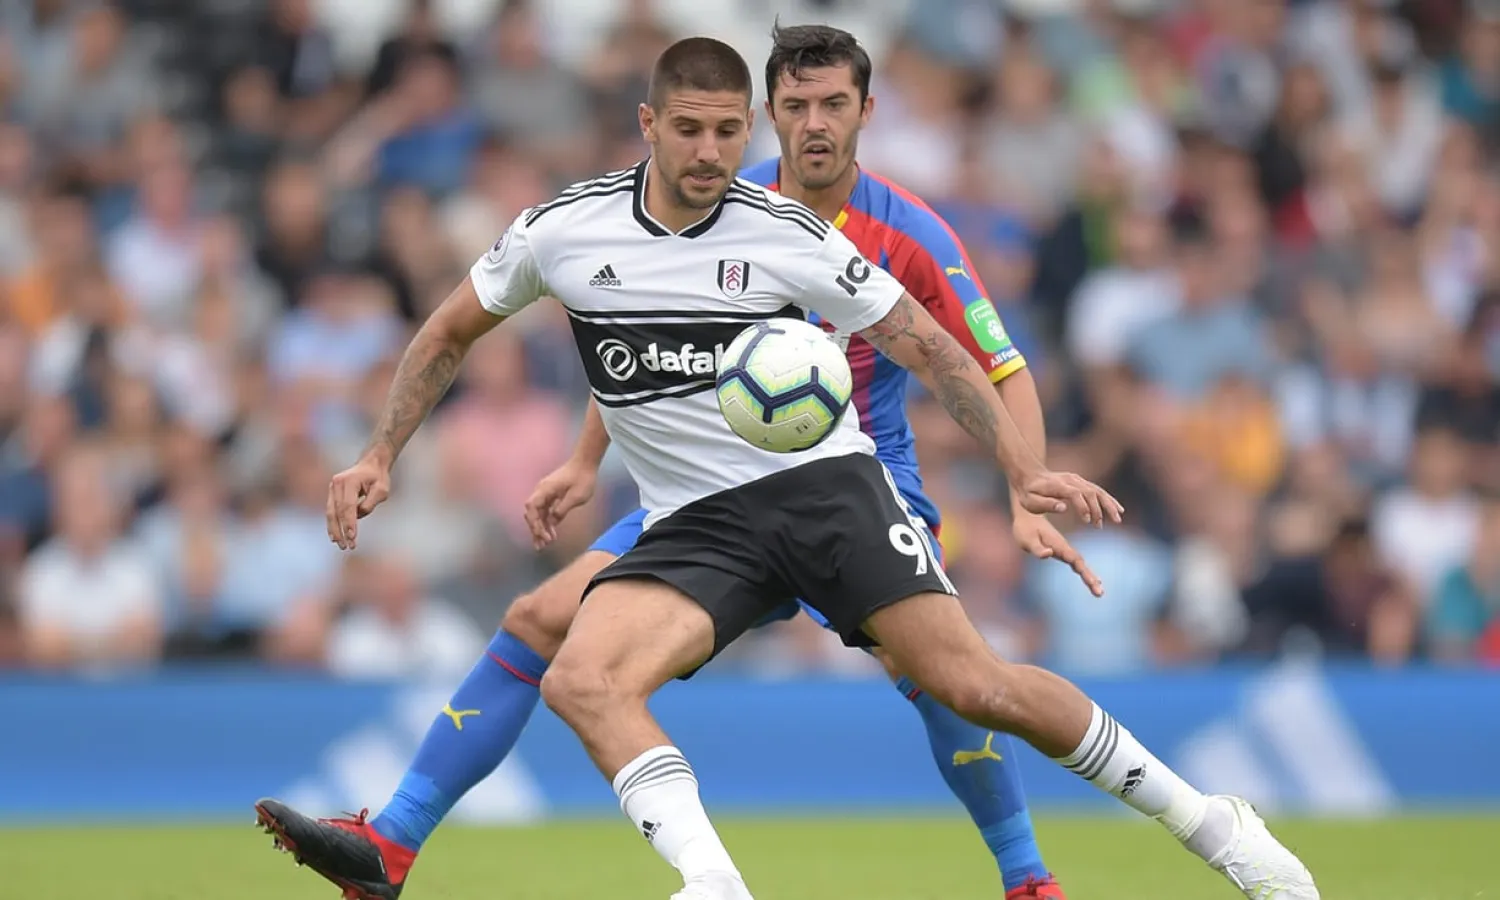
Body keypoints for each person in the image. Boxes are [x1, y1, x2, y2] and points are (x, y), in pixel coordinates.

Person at [257, 35, 1317, 900]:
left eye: (731, 131)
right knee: (577, 668)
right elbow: (454, 335)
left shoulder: (798, 234)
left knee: (969, 684)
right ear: (649, 127)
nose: (717, 150)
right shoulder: (563, 231)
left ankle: (1208, 827)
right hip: (697, 521)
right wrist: (383, 451)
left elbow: (933, 347)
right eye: (694, 130)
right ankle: (705, 884)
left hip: (833, 494)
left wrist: (1020, 471)